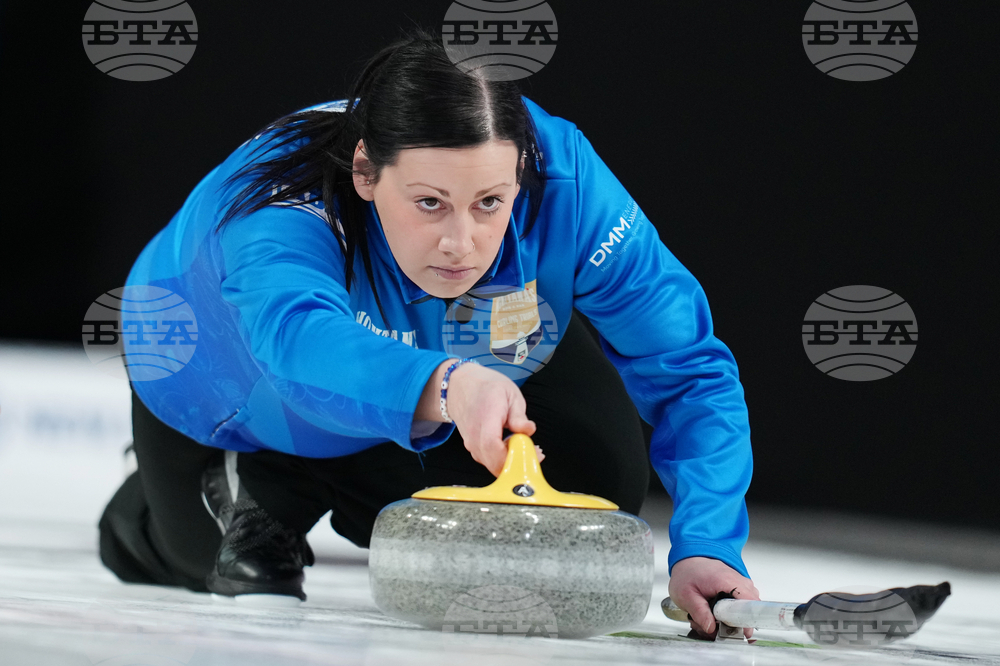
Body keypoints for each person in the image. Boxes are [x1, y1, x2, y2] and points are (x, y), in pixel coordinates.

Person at [98, 28, 759, 638]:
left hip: (454, 351)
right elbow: (294, 341)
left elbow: (688, 368)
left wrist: (708, 544)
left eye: (489, 204)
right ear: (365, 172)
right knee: (207, 557)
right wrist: (448, 385)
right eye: (429, 203)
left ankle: (364, 471)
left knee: (592, 493)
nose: (460, 245)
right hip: (230, 383)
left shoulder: (569, 185)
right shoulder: (280, 205)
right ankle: (257, 479)